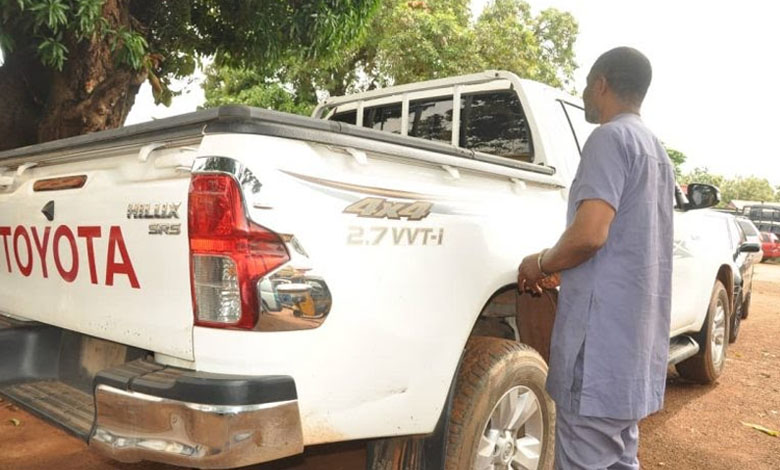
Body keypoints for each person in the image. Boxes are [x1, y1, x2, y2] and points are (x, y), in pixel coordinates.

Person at [517, 47, 675, 469]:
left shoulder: (609, 138)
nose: (585, 93)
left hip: (599, 348)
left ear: (601, 84)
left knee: (585, 458)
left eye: (587, 84)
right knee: (621, 457)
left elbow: (589, 235)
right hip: (634, 346)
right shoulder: (657, 151)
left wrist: (542, 263)